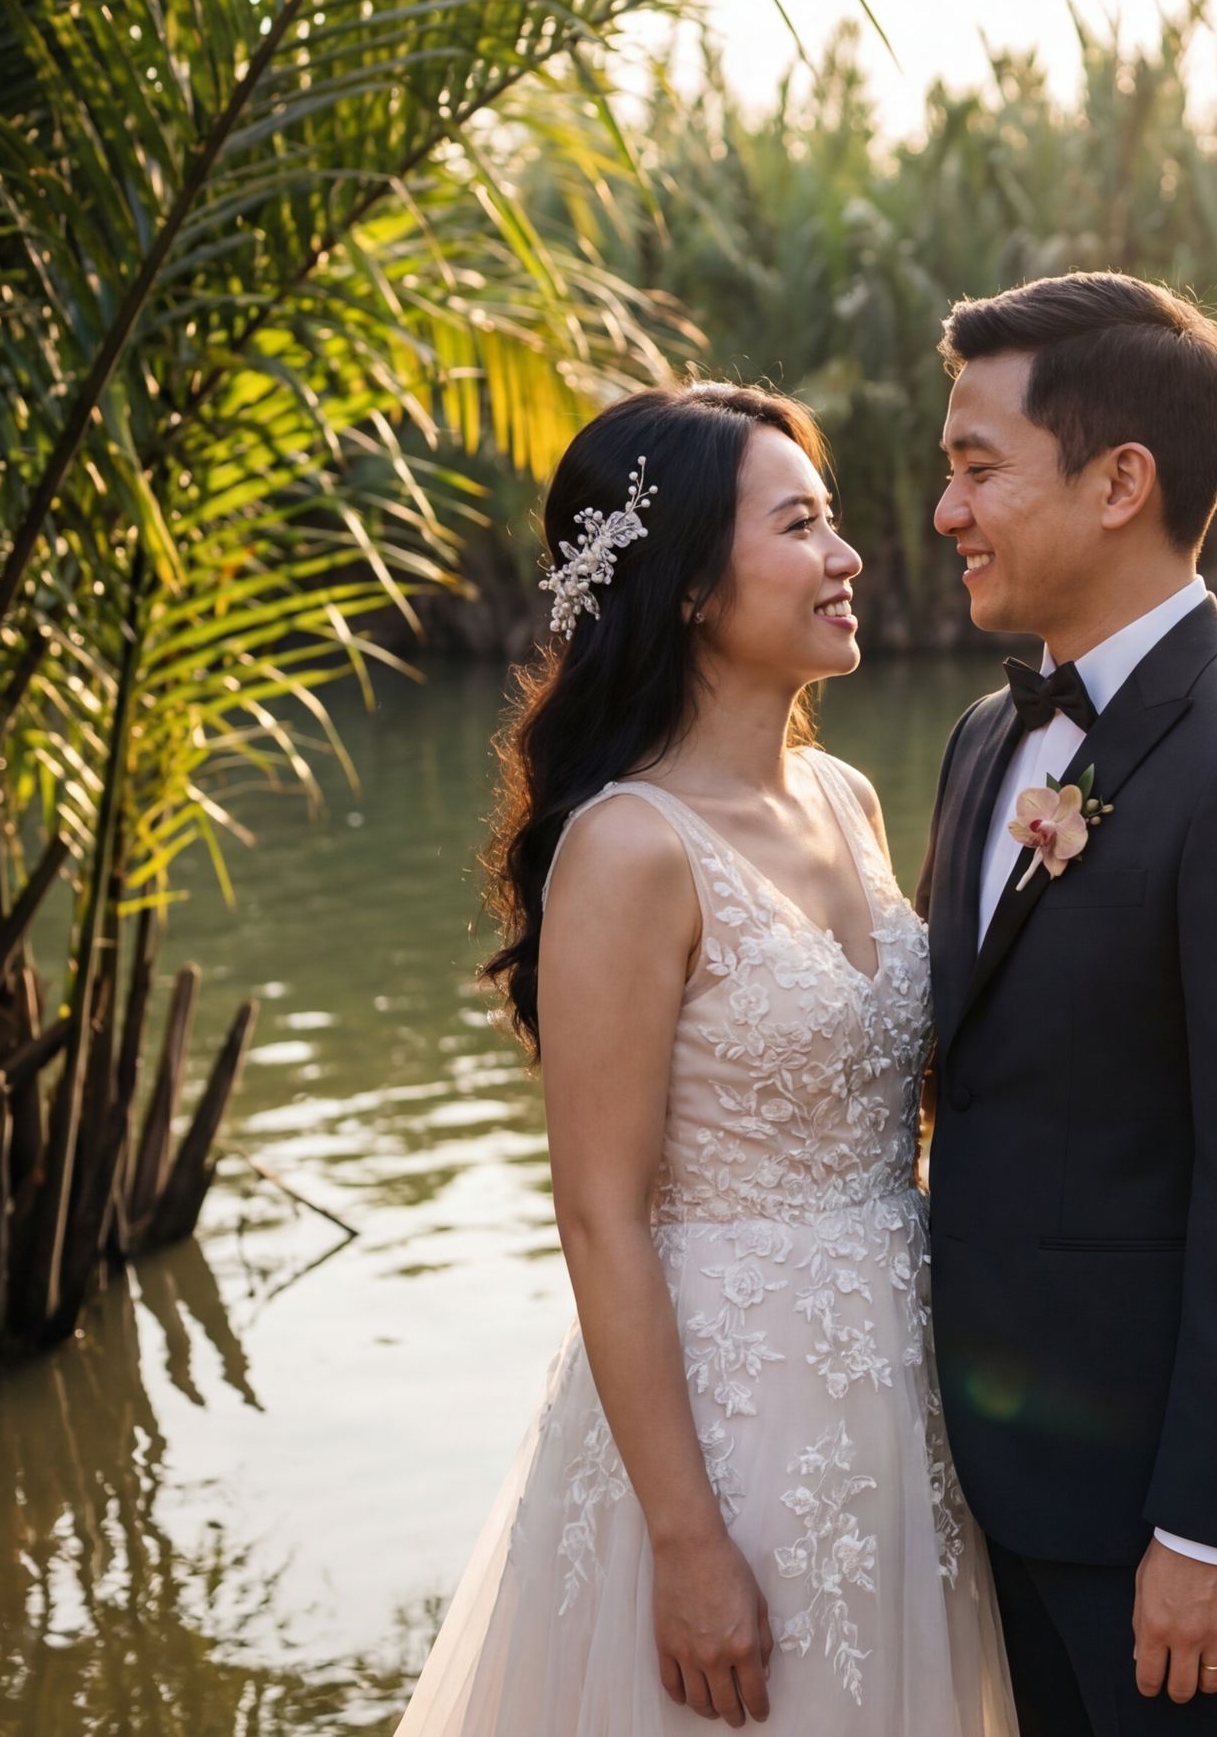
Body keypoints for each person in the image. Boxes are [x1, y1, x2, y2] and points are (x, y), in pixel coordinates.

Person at [401, 384, 1011, 1735]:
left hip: (899, 1402)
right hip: (731, 1424)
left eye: (833, 518)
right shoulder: (630, 848)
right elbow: (597, 1210)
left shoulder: (845, 798)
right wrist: (685, 1542)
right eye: (801, 525)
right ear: (685, 587)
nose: (848, 556)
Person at [918, 273, 1217, 1737]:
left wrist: (1208, 1523)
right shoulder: (985, 738)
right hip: (992, 1485)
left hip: (1160, 1526)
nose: (947, 511)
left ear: (1122, 479)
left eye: (977, 467)